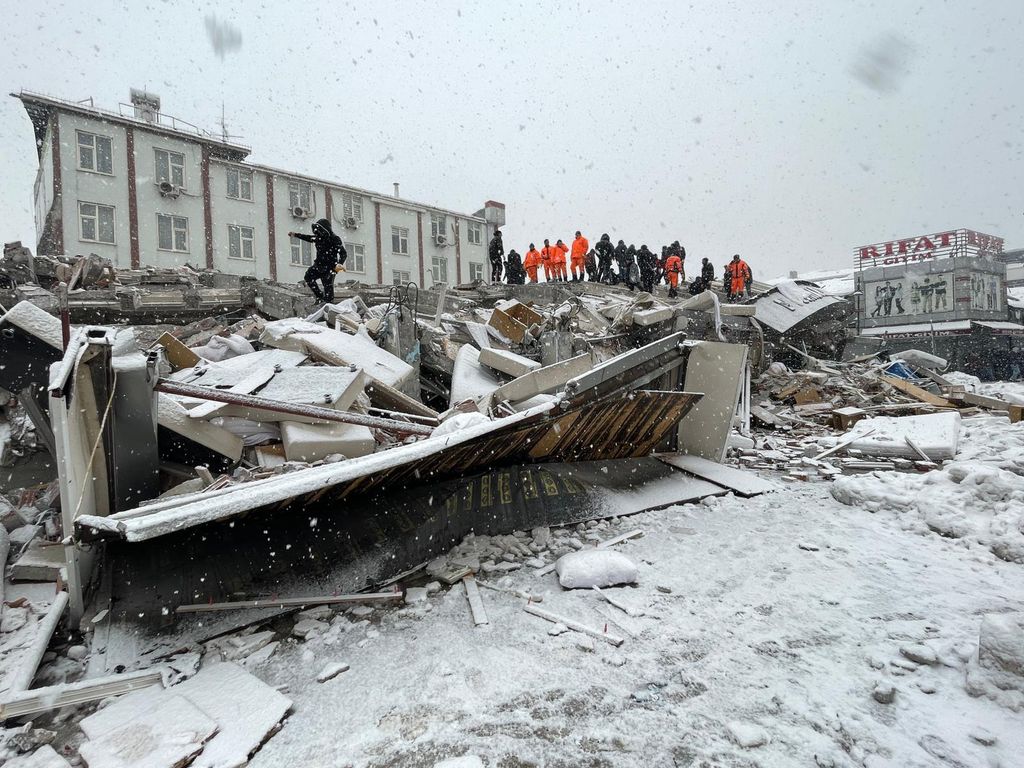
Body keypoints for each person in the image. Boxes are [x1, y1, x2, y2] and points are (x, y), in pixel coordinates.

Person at [288, 218, 346, 304]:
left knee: (328, 288)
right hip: (318, 265)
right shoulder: (318, 238)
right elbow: (308, 237)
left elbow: (343, 253)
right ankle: (319, 297)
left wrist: (339, 264)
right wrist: (296, 235)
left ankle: (328, 305)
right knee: (308, 277)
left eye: (320, 230)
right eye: (317, 230)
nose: (318, 233)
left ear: (326, 229)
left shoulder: (334, 239)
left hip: (330, 267)